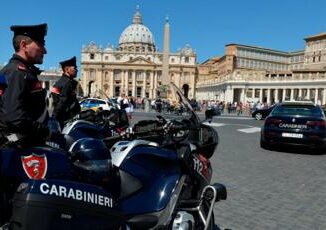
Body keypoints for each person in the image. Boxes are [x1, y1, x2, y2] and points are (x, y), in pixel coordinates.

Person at [0, 23, 49, 147]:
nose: (45, 50)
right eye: (40, 44)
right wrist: (40, 129)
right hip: (20, 146)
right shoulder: (16, 72)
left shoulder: (24, 72)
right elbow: (14, 116)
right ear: (23, 45)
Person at [51, 56, 81, 128]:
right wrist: (54, 117)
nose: (77, 70)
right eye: (75, 68)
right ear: (67, 69)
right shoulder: (67, 83)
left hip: (63, 119)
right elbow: (62, 102)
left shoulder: (62, 81)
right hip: (66, 120)